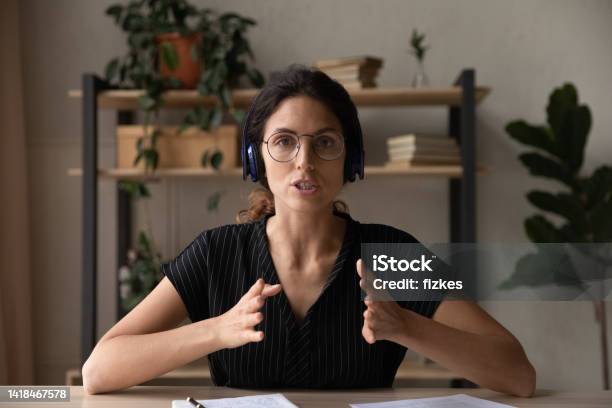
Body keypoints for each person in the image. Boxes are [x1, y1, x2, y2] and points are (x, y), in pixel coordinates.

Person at [82, 65, 536, 396]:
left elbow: (518, 374)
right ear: (256, 158)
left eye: (325, 143)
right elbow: (98, 370)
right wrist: (218, 330)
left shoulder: (394, 253)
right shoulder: (215, 253)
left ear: (351, 159)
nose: (305, 161)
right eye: (284, 141)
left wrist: (408, 326)